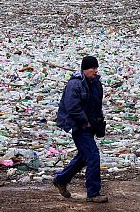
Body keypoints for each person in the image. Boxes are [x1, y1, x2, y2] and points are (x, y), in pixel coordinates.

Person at [53, 55, 108, 203]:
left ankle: (61, 180)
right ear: (85, 69)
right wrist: (85, 122)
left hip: (91, 126)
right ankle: (93, 193)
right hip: (80, 127)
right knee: (93, 157)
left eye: (96, 68)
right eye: (92, 68)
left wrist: (98, 123)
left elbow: (97, 105)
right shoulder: (75, 84)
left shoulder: (95, 83)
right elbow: (72, 108)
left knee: (83, 158)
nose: (95, 71)